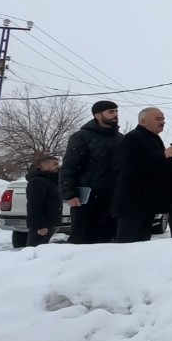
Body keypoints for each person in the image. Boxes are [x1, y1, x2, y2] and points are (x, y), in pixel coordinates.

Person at [60, 100, 123, 244]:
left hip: (112, 199)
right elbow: (69, 167)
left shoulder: (120, 139)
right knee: (82, 240)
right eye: (111, 112)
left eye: (116, 111)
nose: (115, 115)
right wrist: (69, 194)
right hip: (87, 199)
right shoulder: (82, 136)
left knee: (106, 241)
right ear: (98, 115)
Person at [114, 108, 172, 243]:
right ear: (143, 121)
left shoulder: (154, 138)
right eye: (158, 119)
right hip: (132, 203)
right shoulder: (132, 138)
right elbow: (129, 166)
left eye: (163, 119)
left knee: (142, 244)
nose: (162, 122)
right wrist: (163, 155)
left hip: (147, 203)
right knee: (127, 243)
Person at [25, 153, 62, 247]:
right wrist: (40, 225)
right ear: (44, 166)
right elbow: (34, 204)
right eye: (55, 164)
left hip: (50, 222)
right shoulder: (37, 181)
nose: (58, 166)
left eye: (58, 164)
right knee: (34, 249)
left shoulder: (52, 180)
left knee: (42, 249)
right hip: (42, 224)